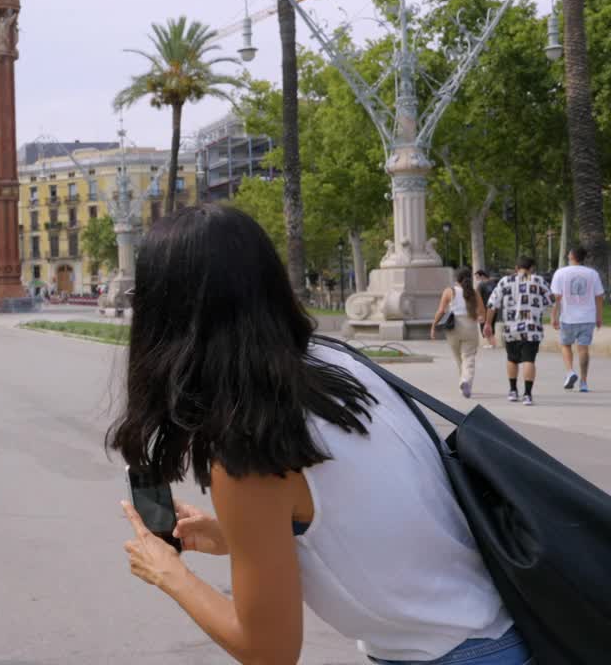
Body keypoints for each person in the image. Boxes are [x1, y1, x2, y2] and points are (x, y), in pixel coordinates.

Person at [111, 206, 528, 665]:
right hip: (506, 632)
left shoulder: (249, 445)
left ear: (164, 315)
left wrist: (169, 573)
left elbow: (268, 651)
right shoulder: (337, 364)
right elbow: (372, 514)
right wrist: (235, 536)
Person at [486, 257, 553, 406]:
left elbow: (492, 304)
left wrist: (488, 324)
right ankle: (527, 395)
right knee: (529, 360)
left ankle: (512, 390)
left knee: (512, 359)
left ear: (516, 268)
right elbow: (551, 301)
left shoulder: (505, 281)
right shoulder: (538, 281)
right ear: (532, 268)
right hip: (532, 328)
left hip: (511, 328)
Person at [550, 245, 605, 393]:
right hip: (587, 317)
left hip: (567, 317)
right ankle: (584, 382)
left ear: (571, 256)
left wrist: (553, 316)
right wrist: (599, 317)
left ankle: (570, 372)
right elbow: (599, 297)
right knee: (583, 349)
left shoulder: (560, 273)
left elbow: (556, 298)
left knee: (566, 345)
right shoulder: (592, 274)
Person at [430, 267, 487, 399]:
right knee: (469, 357)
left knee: (458, 357)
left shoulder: (449, 292)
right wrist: (480, 319)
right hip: (470, 327)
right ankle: (465, 381)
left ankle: (463, 382)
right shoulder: (474, 292)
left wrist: (433, 326)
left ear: (456, 279)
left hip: (453, 327)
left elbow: (441, 311)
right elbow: (482, 313)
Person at [473, 270, 498, 349]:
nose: (476, 279)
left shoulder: (480, 285)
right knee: (491, 325)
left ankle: (492, 344)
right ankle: (493, 343)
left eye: (477, 277)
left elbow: (477, 298)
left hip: (484, 309)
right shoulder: (494, 284)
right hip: (494, 308)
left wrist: (478, 311)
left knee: (484, 326)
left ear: (482, 276)